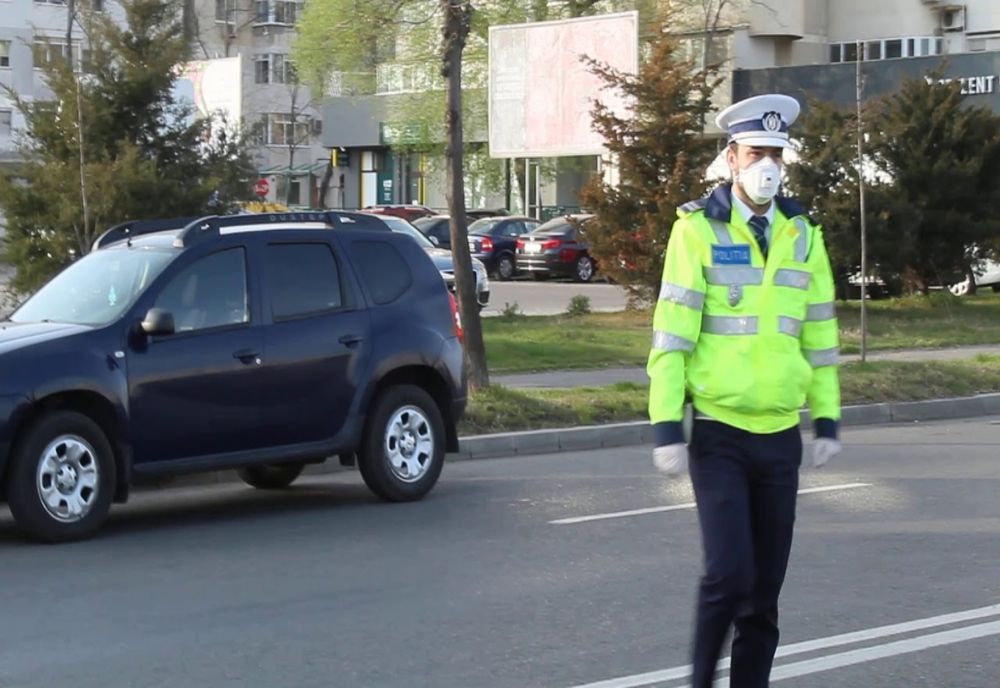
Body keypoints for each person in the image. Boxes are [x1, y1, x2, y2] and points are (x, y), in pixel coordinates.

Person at [646, 93, 843, 688]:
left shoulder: (803, 234)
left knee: (763, 596)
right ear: (730, 158)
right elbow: (672, 336)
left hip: (780, 435)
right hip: (720, 433)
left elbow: (821, 334)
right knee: (729, 576)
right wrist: (665, 425)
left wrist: (827, 418)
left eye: (778, 155)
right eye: (757, 152)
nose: (769, 166)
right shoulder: (696, 231)